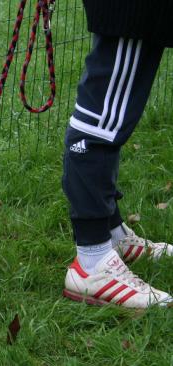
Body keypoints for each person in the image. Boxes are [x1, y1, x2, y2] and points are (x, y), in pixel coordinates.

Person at [61, 0, 173, 308]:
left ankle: (112, 235)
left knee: (114, 117)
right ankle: (92, 261)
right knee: (99, 126)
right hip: (130, 10)